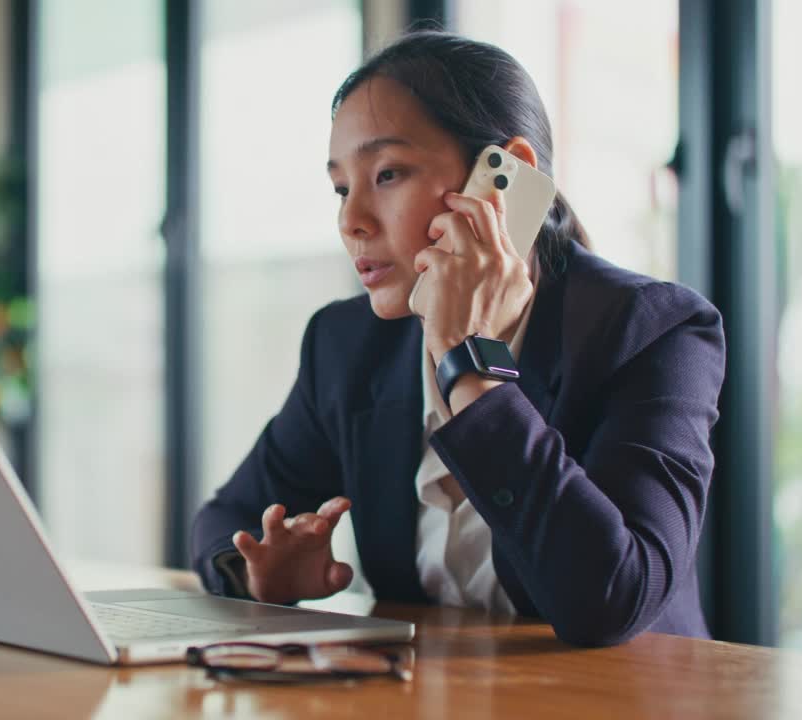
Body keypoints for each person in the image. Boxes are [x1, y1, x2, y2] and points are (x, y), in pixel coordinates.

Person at [189, 31, 725, 647]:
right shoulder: (346, 346)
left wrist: (471, 364)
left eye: (386, 173)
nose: (350, 220)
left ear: (502, 180)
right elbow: (223, 520)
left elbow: (612, 597)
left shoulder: (655, 332)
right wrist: (258, 574)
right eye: (341, 187)